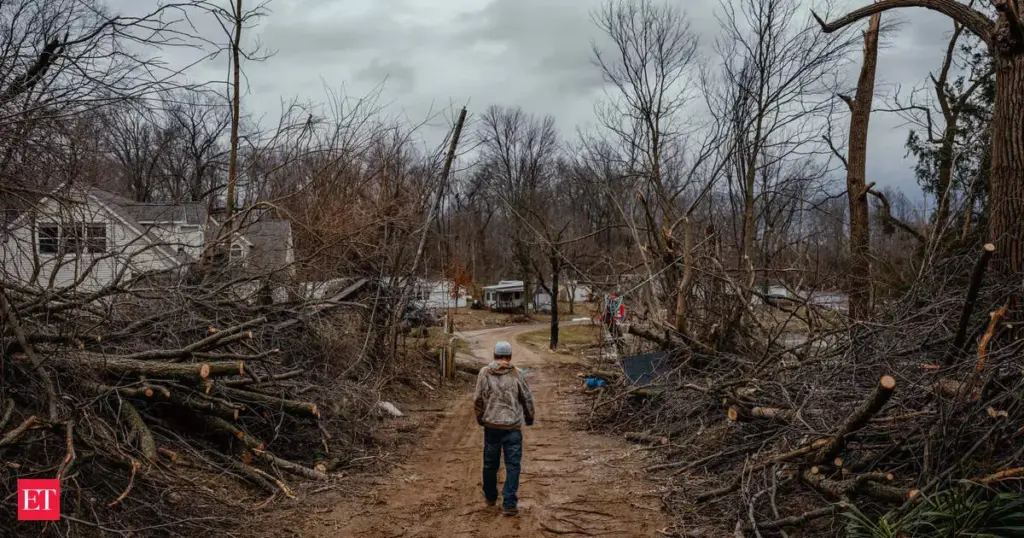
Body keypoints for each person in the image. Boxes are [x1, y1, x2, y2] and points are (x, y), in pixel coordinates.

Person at [473, 340, 536, 516]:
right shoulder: (517, 373)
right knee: (513, 465)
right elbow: (527, 398)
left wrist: (480, 418)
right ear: (509, 356)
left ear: (494, 355)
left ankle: (491, 497)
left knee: (490, 463)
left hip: (492, 426)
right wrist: (529, 417)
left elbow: (478, 398)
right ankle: (509, 503)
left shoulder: (484, 373)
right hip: (512, 427)